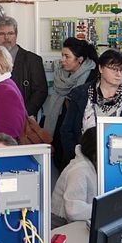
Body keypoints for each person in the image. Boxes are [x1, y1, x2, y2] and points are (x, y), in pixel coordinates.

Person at [42, 37, 99, 169]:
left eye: (67, 56)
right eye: (62, 55)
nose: (62, 60)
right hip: (58, 127)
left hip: (79, 135)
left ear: (80, 59)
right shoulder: (61, 75)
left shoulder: (92, 77)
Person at [0, 16, 47, 118]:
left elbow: (40, 92)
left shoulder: (32, 60)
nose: (6, 38)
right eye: (2, 34)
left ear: (16, 35)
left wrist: (24, 114)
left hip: (23, 118)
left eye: (10, 33)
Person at [51, 126, 97, 228]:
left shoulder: (90, 165)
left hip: (74, 222)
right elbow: (73, 211)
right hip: (61, 224)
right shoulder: (79, 170)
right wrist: (103, 209)